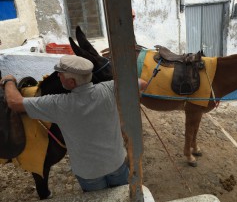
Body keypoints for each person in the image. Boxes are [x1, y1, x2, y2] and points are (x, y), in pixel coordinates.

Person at [0, 55, 147, 192]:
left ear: (71, 82)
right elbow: (142, 83)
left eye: (61, 74)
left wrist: (9, 81)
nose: (58, 76)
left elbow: (14, 102)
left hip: (89, 173)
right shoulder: (109, 88)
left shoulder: (58, 104)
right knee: (122, 194)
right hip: (117, 164)